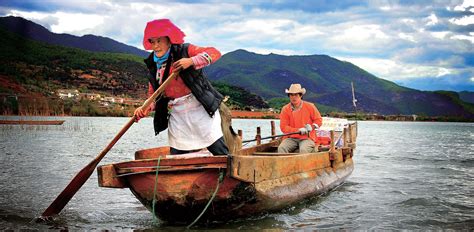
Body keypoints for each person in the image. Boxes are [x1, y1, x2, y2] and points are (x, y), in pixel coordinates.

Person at [134, 19, 229, 156]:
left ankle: (228, 174)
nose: (155, 46)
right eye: (152, 42)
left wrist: (191, 61)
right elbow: (153, 96)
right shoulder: (153, 65)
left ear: (169, 40)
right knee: (177, 155)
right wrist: (144, 109)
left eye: (159, 41)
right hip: (178, 114)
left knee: (219, 152)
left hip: (200, 109)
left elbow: (215, 53)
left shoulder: (185, 50)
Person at [278, 83, 323, 153]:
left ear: (300, 95)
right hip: (291, 138)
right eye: (291, 95)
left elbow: (319, 120)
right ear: (289, 96)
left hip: (307, 138)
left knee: (303, 150)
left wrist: (312, 127)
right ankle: (285, 163)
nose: (293, 97)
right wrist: (297, 130)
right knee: (282, 148)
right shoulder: (285, 109)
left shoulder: (310, 106)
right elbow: (283, 127)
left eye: (296, 95)